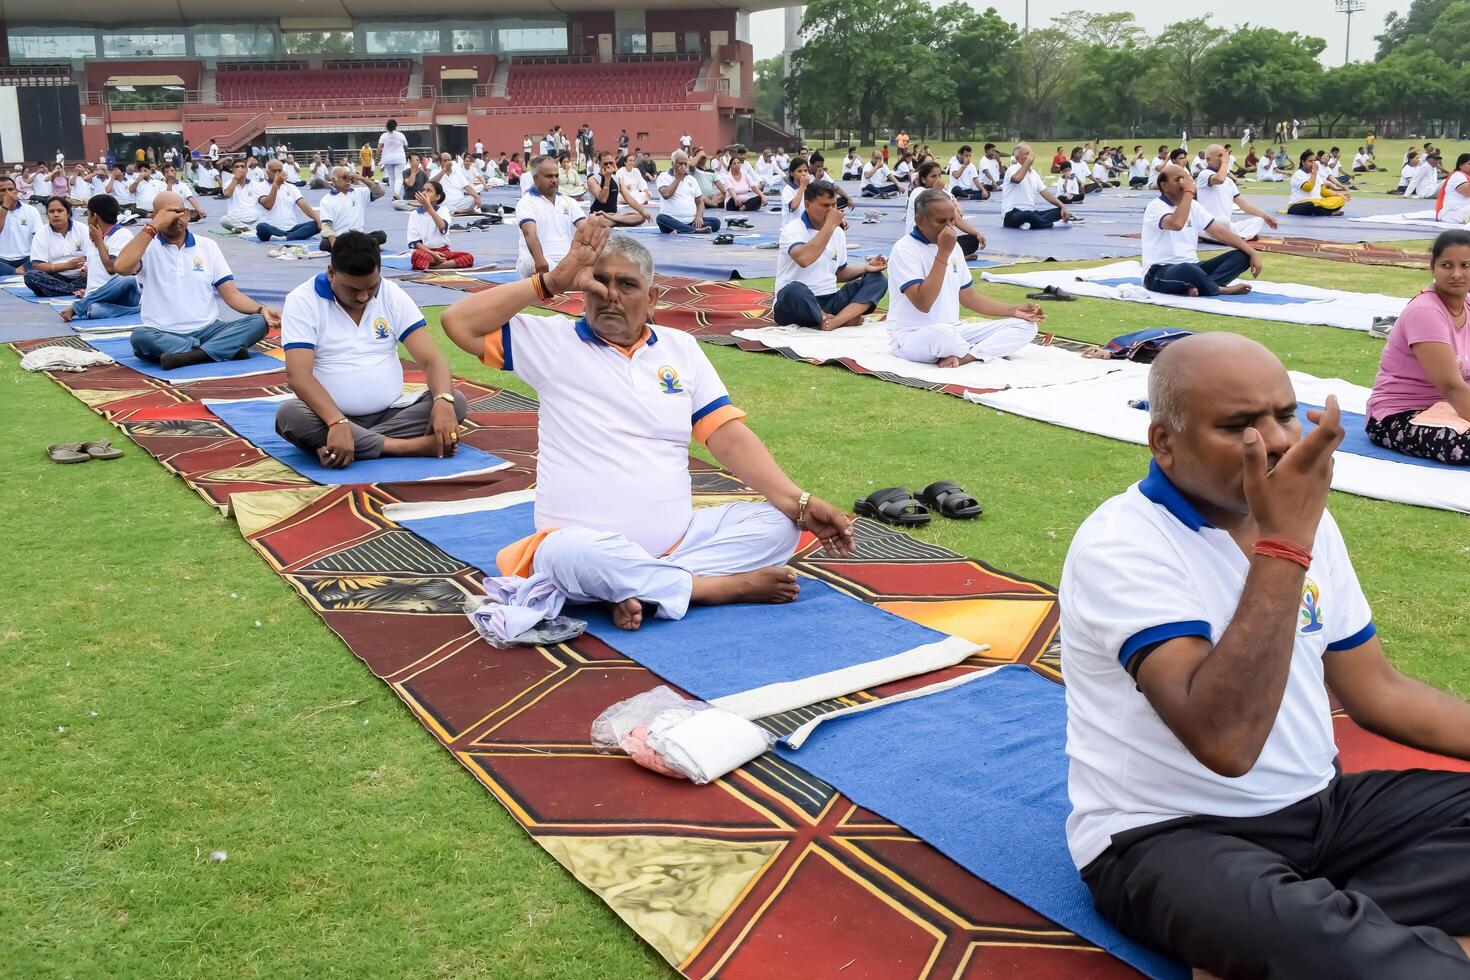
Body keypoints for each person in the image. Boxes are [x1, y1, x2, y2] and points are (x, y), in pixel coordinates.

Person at [1063, 329, 1470, 978]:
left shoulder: (1303, 519)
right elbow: (1226, 744)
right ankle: (1316, 937)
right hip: (1170, 834)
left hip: (1325, 811)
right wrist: (1282, 547)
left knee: (1327, 944)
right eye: (1238, 425)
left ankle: (1292, 936)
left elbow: (1377, 692)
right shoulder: (1122, 544)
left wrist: (1289, 534)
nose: (1276, 440)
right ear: (1164, 442)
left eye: (1283, 414)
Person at [441, 220, 853, 630]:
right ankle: (715, 588)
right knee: (564, 553)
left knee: (779, 526)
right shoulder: (553, 343)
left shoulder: (681, 348)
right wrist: (550, 281)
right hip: (586, 548)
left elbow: (726, 436)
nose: (610, 295)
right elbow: (457, 322)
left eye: (627, 285)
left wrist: (799, 501)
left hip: (680, 542)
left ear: (652, 298)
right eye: (598, 283)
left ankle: (639, 588)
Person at [275, 230, 467, 468]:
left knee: (454, 401)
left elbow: (432, 360)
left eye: (371, 287)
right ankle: (407, 447)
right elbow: (298, 376)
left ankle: (352, 445)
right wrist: (337, 422)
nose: (364, 297)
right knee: (290, 416)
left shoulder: (391, 294)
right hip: (327, 416)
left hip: (392, 412)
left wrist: (442, 400)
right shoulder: (303, 300)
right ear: (331, 272)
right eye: (352, 290)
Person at [112, 191, 279, 370]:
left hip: (209, 330)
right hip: (163, 332)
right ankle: (223, 350)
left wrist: (263, 309)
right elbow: (121, 267)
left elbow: (232, 295)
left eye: (180, 212)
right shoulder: (145, 246)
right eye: (168, 213)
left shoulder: (207, 246)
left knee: (258, 322)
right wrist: (152, 227)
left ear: (187, 214)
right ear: (155, 216)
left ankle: (190, 356)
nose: (176, 218)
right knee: (140, 337)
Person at [885, 189, 1043, 368]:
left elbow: (969, 297)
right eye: (941, 221)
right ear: (920, 221)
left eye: (952, 220)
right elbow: (923, 303)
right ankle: (981, 350)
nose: (949, 228)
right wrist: (943, 253)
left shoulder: (954, 247)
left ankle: (968, 356)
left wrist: (1014, 310)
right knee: (943, 336)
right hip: (912, 335)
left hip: (954, 329)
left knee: (1026, 326)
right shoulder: (905, 249)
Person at [1364, 230, 1470, 465]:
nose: (1457, 274)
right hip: (1399, 416)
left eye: (1465, 265)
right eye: (1447, 265)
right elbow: (1450, 386)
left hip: (1448, 408)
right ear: (1433, 268)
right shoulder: (1426, 312)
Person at [773, 181, 888, 331]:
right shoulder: (793, 229)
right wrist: (830, 225)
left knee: (877, 280)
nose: (832, 211)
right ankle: (834, 318)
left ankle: (834, 321)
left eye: (834, 205)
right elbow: (804, 259)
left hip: (831, 298)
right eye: (825, 206)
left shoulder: (838, 233)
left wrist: (866, 268)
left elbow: (838, 274)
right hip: (797, 302)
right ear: (807, 205)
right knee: (793, 290)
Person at [1142, 164, 1261, 298]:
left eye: (1184, 179)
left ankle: (1199, 287)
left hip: (1193, 267)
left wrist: (1252, 252)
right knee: (1187, 269)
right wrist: (1188, 192)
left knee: (1242, 256)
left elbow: (1219, 232)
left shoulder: (1194, 206)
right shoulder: (1155, 207)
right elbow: (1177, 223)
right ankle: (1218, 289)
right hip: (1159, 271)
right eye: (1177, 180)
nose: (1183, 183)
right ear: (1164, 186)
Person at [60, 194, 141, 323]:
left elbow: (111, 268)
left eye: (89, 214)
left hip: (121, 294)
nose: (87, 219)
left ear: (95, 216)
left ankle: (79, 306)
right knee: (94, 310)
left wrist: (99, 242)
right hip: (97, 296)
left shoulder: (122, 234)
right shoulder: (92, 237)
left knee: (127, 279)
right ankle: (137, 310)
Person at [515, 155, 587, 276]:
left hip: (566, 261)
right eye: (549, 176)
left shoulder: (568, 201)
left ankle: (564, 277)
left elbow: (585, 228)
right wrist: (540, 260)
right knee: (529, 262)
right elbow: (529, 233)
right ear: (535, 178)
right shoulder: (526, 202)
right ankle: (566, 277)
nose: (554, 180)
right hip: (539, 261)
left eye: (556, 175)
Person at [1196, 144, 1278, 243]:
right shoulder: (1204, 174)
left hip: (1226, 226)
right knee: (1223, 221)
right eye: (1220, 156)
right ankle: (1236, 237)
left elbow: (1244, 205)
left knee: (1258, 220)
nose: (1223, 158)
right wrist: (1225, 162)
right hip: (1209, 225)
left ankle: (1238, 237)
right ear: (1208, 160)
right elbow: (1219, 179)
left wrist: (1265, 216)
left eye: (1224, 156)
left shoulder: (1229, 181)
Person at [905, 161, 984, 260]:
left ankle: (954, 256)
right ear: (923, 179)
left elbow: (957, 219)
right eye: (933, 176)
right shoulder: (918, 192)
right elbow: (930, 205)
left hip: (940, 240)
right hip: (923, 241)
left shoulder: (943, 193)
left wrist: (977, 233)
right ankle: (952, 258)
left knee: (973, 240)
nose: (938, 179)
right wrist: (936, 191)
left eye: (939, 176)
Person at [23, 197, 87, 297]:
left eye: (60, 211)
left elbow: (94, 255)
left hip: (81, 277)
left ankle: (61, 290)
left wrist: (88, 268)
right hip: (56, 276)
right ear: (47, 215)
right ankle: (75, 290)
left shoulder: (82, 229)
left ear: (68, 213)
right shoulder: (42, 233)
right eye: (51, 211)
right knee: (30, 276)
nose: (56, 215)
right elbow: (37, 265)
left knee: (105, 275)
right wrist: (67, 266)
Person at [406, 181, 475, 270]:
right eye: (423, 190)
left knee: (468, 257)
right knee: (417, 255)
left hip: (443, 252)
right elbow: (416, 243)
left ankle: (435, 266)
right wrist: (433, 254)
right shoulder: (414, 214)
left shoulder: (443, 210)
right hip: (426, 253)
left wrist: (429, 208)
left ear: (437, 197)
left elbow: (443, 228)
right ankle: (443, 264)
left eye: (428, 191)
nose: (424, 193)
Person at [1002, 144, 1073, 230]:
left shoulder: (1034, 173)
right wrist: (1028, 162)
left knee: (1058, 212)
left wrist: (1062, 206)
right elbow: (1017, 179)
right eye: (1026, 154)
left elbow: (1045, 193)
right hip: (1012, 213)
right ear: (1017, 158)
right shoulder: (1012, 169)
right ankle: (1053, 225)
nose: (1030, 156)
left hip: (1032, 213)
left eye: (1030, 153)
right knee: (1028, 214)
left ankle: (1029, 224)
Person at [318, 167, 386, 254]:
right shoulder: (327, 200)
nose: (348, 180)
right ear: (333, 180)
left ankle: (361, 246)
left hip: (358, 236)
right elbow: (327, 227)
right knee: (325, 244)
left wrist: (360, 178)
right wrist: (335, 246)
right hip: (340, 237)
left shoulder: (359, 192)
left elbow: (380, 192)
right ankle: (367, 246)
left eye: (350, 177)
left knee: (381, 235)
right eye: (344, 177)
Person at [256, 160, 322, 242]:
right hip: (271, 227)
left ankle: (286, 237)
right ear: (267, 172)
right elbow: (268, 205)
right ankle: (295, 236)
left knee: (316, 224)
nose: (277, 173)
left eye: (280, 170)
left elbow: (304, 205)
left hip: (292, 227)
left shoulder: (291, 187)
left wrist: (318, 220)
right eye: (274, 171)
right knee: (261, 227)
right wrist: (275, 185)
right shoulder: (260, 187)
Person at [655, 152, 720, 235]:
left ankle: (682, 230)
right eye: (680, 163)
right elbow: (666, 194)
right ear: (673, 164)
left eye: (685, 164)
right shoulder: (664, 176)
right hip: (672, 220)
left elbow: (700, 202)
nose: (683, 166)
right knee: (661, 218)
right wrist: (678, 179)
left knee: (716, 222)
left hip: (691, 221)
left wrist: (699, 216)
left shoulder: (691, 179)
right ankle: (694, 230)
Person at [584, 151, 649, 227]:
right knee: (598, 221)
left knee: (641, 217)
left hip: (613, 215)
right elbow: (603, 199)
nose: (608, 166)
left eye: (610, 163)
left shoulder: (617, 180)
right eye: (605, 164)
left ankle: (614, 220)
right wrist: (607, 178)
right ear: (599, 164)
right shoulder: (593, 180)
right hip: (598, 215)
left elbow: (629, 198)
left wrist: (644, 212)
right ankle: (620, 222)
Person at [1288, 151, 1348, 216]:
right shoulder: (1298, 174)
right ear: (1303, 162)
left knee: (1339, 199)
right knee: (1312, 203)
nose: (1313, 164)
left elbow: (1323, 191)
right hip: (1299, 204)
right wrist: (1314, 172)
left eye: (1314, 161)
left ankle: (1321, 211)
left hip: (1318, 202)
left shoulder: (1316, 174)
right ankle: (1328, 213)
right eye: (1310, 161)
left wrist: (1338, 194)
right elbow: (1308, 188)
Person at [1436, 153, 1470, 225]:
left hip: (1463, 210)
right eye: (1469, 164)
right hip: (1452, 213)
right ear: (1460, 165)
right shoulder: (1457, 175)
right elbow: (1467, 192)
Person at [779, 157, 810, 226]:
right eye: (799, 171)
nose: (803, 174)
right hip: (791, 228)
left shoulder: (809, 188)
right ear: (792, 173)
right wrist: (802, 186)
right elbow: (793, 206)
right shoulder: (788, 189)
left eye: (805, 170)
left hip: (806, 227)